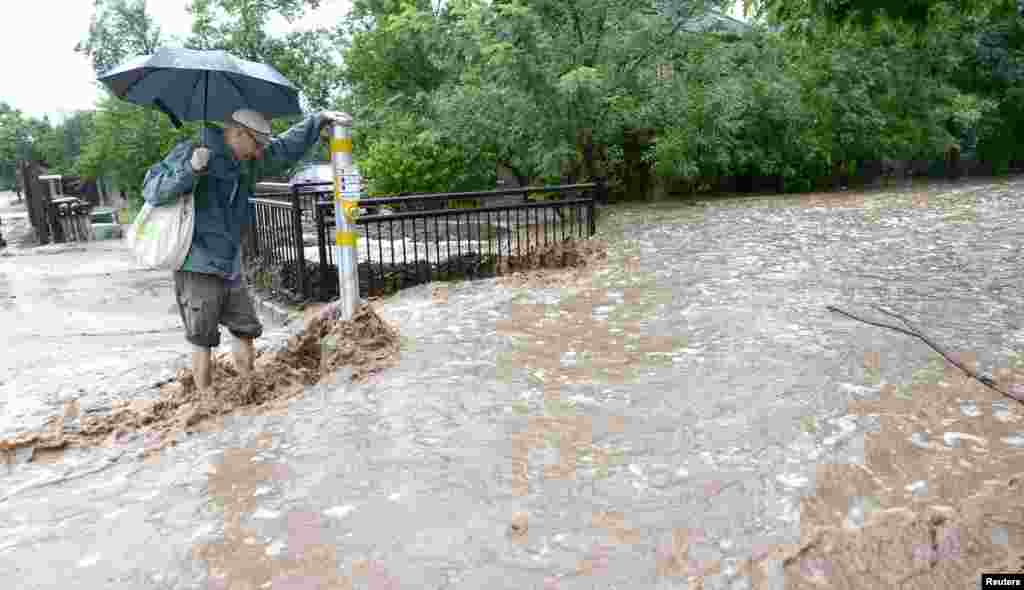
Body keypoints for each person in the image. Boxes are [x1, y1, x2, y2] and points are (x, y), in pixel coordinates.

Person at [142, 108, 351, 393]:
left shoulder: (247, 163)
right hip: (197, 262)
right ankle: (205, 402)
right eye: (256, 145)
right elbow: (153, 190)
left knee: (245, 327)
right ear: (238, 133)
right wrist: (189, 170)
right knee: (202, 337)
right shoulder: (192, 151)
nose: (259, 153)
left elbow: (284, 149)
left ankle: (246, 389)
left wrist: (317, 121)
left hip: (230, 262)